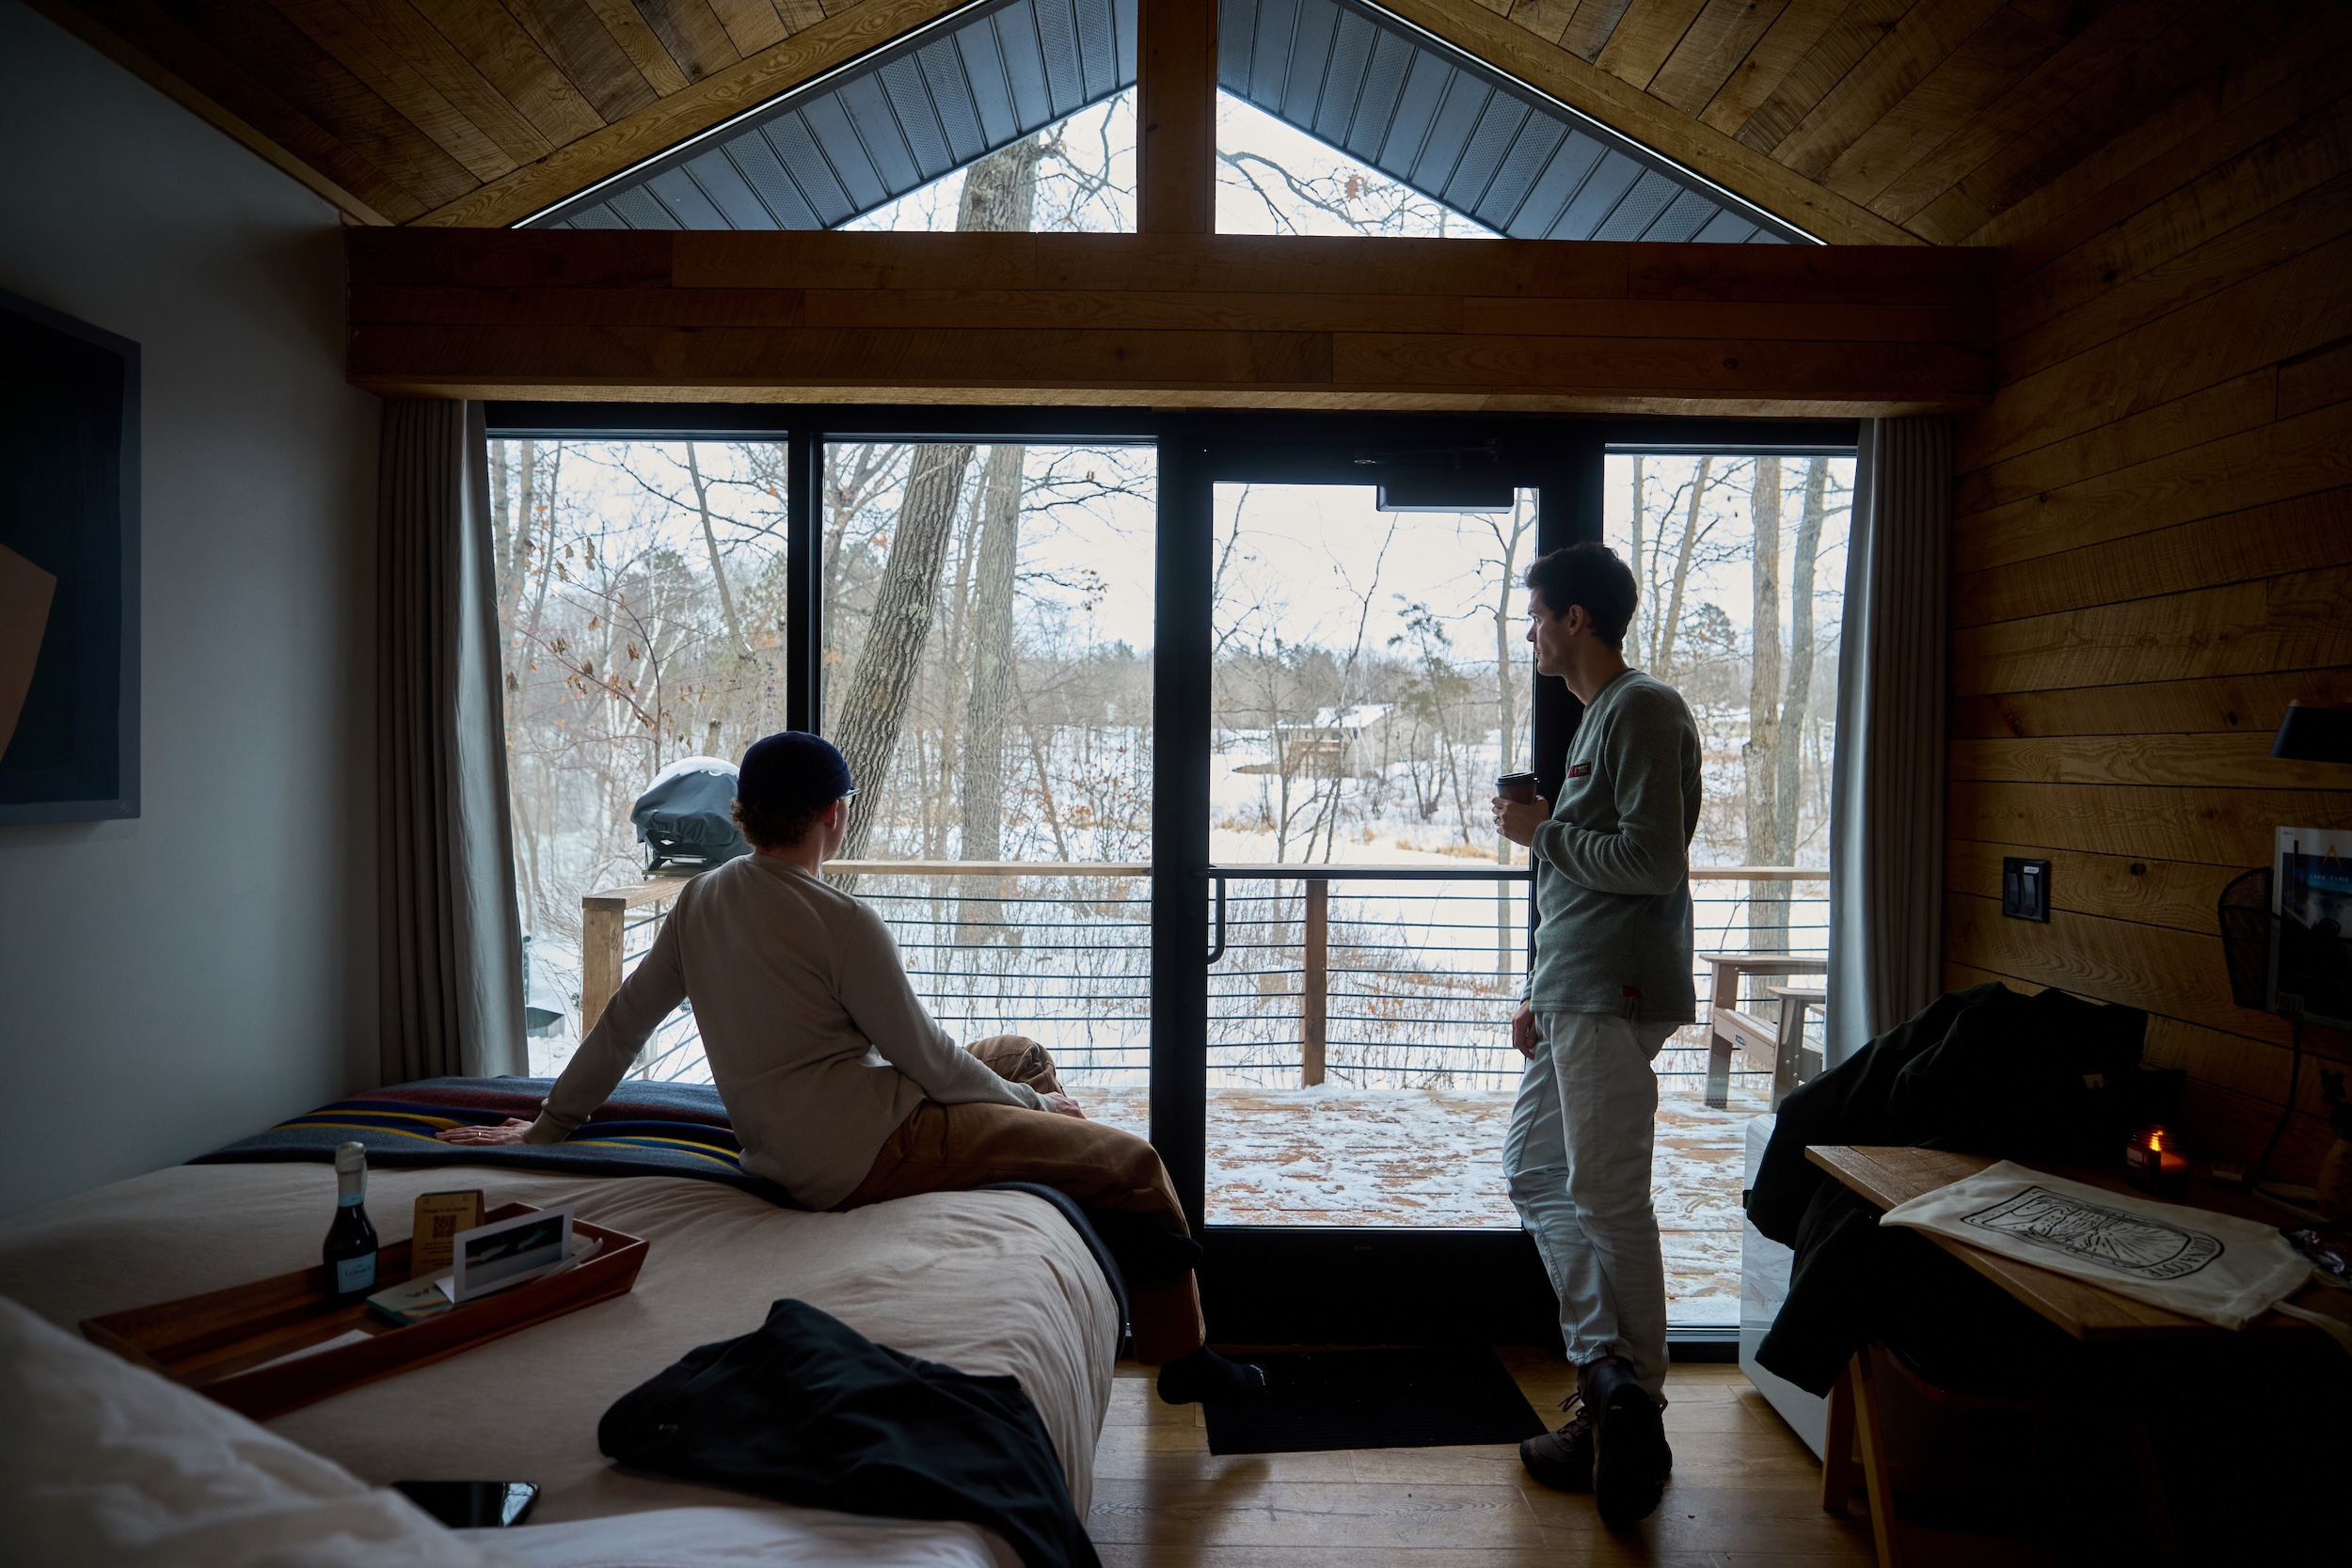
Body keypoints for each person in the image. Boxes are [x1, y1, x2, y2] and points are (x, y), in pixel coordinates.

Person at [439, 731, 1264, 1405]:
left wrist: (548, 1123)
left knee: (1021, 1054)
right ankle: (1185, 1356)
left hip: (803, 1132)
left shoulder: (703, 899)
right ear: (833, 814)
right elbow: (929, 1061)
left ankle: (1073, 1204)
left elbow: (622, 1025)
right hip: (870, 1148)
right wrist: (1037, 1111)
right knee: (1132, 1162)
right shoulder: (842, 918)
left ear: (746, 813)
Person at [1488, 542, 1700, 1528]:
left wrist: (1543, 835)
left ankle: (1633, 1409)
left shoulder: (1642, 707)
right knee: (1536, 1169)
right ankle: (1607, 1377)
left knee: (1609, 1194)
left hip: (1612, 991)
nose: (1527, 628)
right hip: (1574, 988)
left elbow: (1650, 861)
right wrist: (1539, 983)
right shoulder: (1596, 721)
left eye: (1534, 613)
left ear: (1575, 617)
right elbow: (1588, 873)